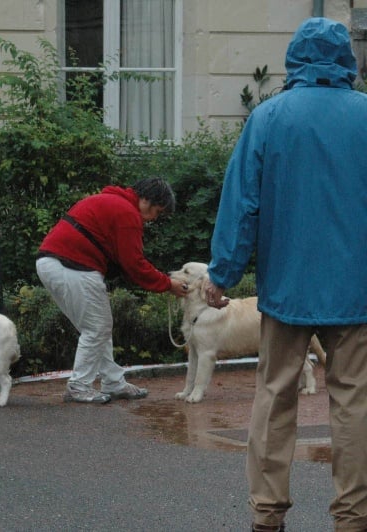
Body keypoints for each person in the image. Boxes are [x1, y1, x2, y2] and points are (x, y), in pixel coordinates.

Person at [202, 18, 367, 532]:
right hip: (357, 289)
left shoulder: (269, 118)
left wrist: (222, 274)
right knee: (355, 403)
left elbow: (241, 204)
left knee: (275, 397)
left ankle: (267, 515)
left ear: (295, 59)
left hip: (286, 287)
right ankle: (354, 518)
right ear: (346, 61)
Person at [36, 177, 188, 403]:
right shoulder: (127, 213)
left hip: (53, 262)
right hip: (73, 265)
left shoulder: (110, 200)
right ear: (146, 200)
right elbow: (134, 264)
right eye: (157, 212)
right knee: (97, 327)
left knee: (98, 326)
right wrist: (167, 284)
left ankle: (113, 382)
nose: (154, 218)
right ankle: (79, 386)